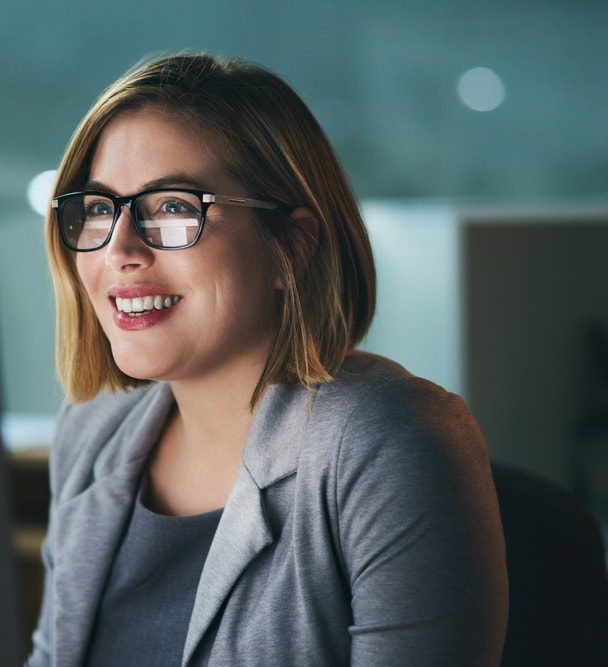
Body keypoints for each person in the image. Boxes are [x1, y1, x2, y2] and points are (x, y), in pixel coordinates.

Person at [27, 53, 508, 666]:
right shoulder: (93, 429)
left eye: (173, 206)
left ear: (291, 245)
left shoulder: (390, 441)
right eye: (98, 207)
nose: (118, 249)